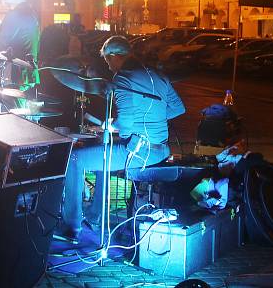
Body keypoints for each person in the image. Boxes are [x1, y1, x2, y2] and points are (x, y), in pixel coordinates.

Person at [58, 35, 186, 240]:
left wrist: (112, 125)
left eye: (108, 61)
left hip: (139, 153)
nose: (108, 67)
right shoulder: (157, 75)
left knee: (74, 159)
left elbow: (125, 126)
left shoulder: (123, 78)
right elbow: (178, 108)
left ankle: (71, 227)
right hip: (161, 149)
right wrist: (150, 119)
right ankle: (95, 214)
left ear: (115, 56)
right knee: (103, 153)